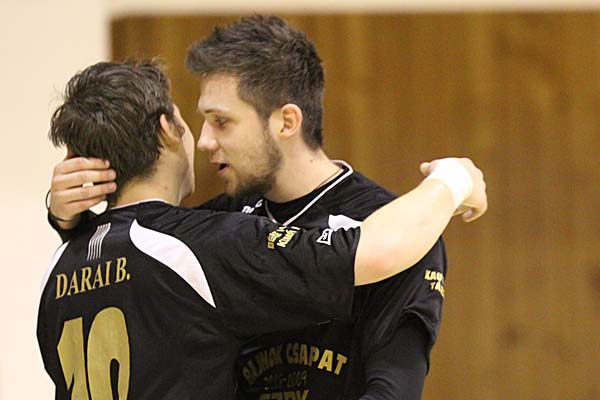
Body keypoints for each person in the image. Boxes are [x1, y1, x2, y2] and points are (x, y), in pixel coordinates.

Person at [47, 17, 487, 400]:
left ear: (286, 121)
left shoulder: (402, 227)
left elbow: (394, 387)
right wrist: (455, 179)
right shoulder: (207, 234)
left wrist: (70, 223)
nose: (204, 140)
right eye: (199, 120)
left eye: (221, 121)